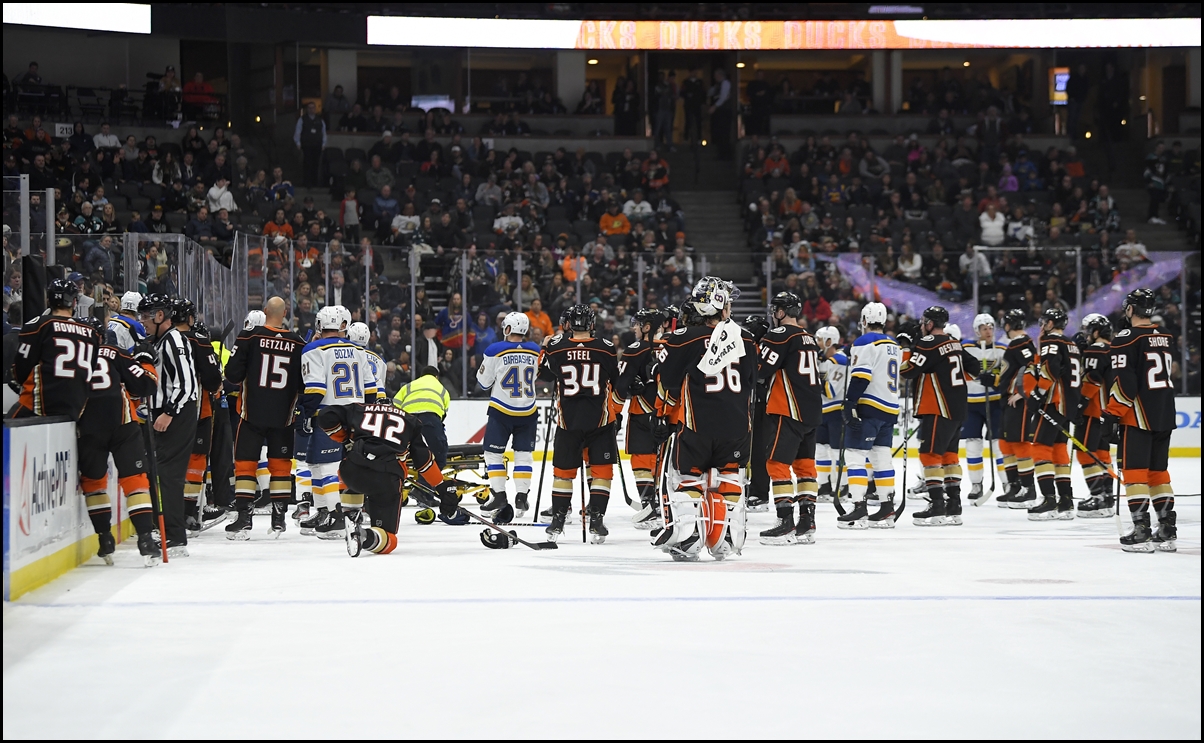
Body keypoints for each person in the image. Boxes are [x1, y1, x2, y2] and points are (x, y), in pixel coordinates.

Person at [652, 278, 755, 560]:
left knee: (687, 478)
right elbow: (751, 380)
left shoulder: (685, 337)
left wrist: (660, 415)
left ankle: (688, 539)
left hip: (698, 424)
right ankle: (726, 538)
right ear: (719, 305)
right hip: (736, 425)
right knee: (730, 477)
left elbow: (668, 382)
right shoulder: (745, 337)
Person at [318, 401, 458, 556]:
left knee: (348, 464)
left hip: (353, 472)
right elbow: (424, 461)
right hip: (386, 479)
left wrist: (344, 438)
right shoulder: (411, 421)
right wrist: (440, 485)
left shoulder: (359, 409)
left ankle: (351, 512)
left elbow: (326, 416)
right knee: (389, 540)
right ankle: (365, 536)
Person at [75, 313, 161, 566]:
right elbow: (147, 386)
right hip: (122, 424)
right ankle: (146, 539)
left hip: (89, 428)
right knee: (135, 481)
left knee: (94, 483)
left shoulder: (71, 356)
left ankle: (104, 538)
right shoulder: (114, 352)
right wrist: (146, 361)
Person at [537, 304, 622, 543]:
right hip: (601, 420)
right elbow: (616, 381)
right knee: (602, 472)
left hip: (568, 421)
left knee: (563, 474)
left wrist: (544, 347)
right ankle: (596, 520)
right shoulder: (605, 348)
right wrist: (617, 410)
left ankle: (558, 520)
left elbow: (542, 374)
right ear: (592, 324)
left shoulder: (556, 347)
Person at [222, 296, 305, 539]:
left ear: (265, 310)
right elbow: (303, 383)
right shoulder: (298, 342)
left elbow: (232, 374)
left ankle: (244, 519)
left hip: (251, 413)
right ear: (285, 312)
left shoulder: (249, 336)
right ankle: (279, 519)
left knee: (246, 464)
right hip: (284, 416)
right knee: (280, 466)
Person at [294, 305, 380, 539]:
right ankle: (324, 511)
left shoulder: (313, 348)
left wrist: (304, 413)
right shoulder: (358, 349)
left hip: (328, 413)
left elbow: (316, 388)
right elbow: (371, 390)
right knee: (315, 462)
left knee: (326, 465)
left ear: (320, 325)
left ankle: (336, 515)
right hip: (356, 414)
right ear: (345, 325)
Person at [1106, 289, 1178, 552]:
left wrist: (1112, 413)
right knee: (1158, 472)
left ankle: (1141, 531)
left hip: (1138, 415)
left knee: (1135, 472)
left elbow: (1126, 384)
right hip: (1164, 412)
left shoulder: (1126, 338)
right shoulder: (1166, 336)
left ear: (1130, 309)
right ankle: (1167, 529)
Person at [756, 291, 824, 545]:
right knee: (805, 467)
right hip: (811, 410)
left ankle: (785, 521)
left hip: (788, 408)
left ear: (782, 312)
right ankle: (807, 522)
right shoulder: (809, 336)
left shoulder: (779, 335)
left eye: (776, 309)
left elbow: (762, 369)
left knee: (776, 464)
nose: (774, 314)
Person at [899, 306, 973, 526]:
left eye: (923, 322)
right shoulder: (954, 342)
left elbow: (907, 371)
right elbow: (974, 367)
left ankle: (937, 506)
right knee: (949, 456)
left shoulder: (928, 343)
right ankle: (954, 505)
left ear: (930, 324)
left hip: (937, 407)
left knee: (930, 455)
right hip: (958, 407)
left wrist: (907, 348)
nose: (921, 326)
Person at [835, 304, 904, 529]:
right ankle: (886, 508)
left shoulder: (865, 341)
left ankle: (858, 507)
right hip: (890, 407)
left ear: (864, 320)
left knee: (855, 456)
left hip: (870, 406)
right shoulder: (894, 344)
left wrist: (849, 402)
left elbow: (861, 377)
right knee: (882, 457)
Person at [140, 294, 199, 556]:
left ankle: (175, 536)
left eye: (146, 315)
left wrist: (168, 412)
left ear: (160, 316)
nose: (143, 321)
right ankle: (167, 530)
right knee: (160, 473)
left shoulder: (174, 339)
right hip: (169, 413)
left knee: (168, 475)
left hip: (178, 414)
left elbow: (186, 384)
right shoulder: (162, 340)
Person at [475, 312, 542, 522]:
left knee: (493, 454)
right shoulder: (536, 350)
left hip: (501, 411)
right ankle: (521, 496)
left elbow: (483, 383)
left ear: (507, 329)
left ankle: (499, 495)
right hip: (528, 411)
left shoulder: (494, 350)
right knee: (523, 454)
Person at [1018, 308, 1080, 521]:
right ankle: (1065, 501)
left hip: (1054, 402)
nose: (1042, 326)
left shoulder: (1051, 341)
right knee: (1059, 449)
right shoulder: (1071, 343)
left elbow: (1050, 370)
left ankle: (1048, 500)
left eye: (1045, 322)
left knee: (1041, 448)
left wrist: (1037, 394)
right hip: (1069, 404)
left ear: (1053, 323)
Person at [10, 279, 99, 421]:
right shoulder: (91, 332)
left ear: (48, 300)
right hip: (74, 408)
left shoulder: (39, 325)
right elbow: (91, 369)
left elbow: (20, 369)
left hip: (40, 405)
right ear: (74, 302)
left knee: (7, 429)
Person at [614, 308, 669, 529]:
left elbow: (620, 386)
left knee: (641, 461)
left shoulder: (635, 350)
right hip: (669, 414)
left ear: (647, 327)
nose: (633, 328)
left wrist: (614, 413)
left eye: (637, 324)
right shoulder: (673, 346)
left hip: (642, 413)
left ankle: (649, 506)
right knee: (662, 461)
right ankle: (661, 505)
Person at [178, 308, 225, 532]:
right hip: (198, 411)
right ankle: (188, 512)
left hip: (164, 413)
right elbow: (213, 379)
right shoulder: (200, 341)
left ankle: (165, 511)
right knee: (196, 462)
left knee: (168, 461)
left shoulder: (159, 340)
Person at [990, 309, 1039, 509]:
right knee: (1005, 443)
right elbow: (1008, 371)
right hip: (1007, 401)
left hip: (1018, 402)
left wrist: (1024, 391)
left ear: (1008, 325)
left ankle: (1028, 489)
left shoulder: (1021, 343)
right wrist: (992, 378)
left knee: (1019, 444)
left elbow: (1034, 366)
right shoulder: (1016, 344)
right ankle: (1014, 486)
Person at [959, 314, 1006, 505]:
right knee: (972, 446)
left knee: (998, 445)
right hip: (970, 404)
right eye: (984, 328)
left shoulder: (1002, 349)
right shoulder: (965, 348)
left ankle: (1007, 484)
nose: (988, 331)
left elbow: (1008, 375)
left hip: (994, 402)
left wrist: (996, 382)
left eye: (990, 328)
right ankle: (976, 484)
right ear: (977, 330)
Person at [1074, 314, 1117, 517]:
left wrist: (1079, 406)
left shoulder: (1095, 350)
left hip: (1092, 410)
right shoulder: (1113, 349)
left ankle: (1097, 496)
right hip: (1108, 411)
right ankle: (1108, 496)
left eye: (1088, 331)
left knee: (1085, 452)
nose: (1086, 335)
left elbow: (1092, 378)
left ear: (1097, 332)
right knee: (1102, 453)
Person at [813, 325, 849, 503]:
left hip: (836, 412)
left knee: (836, 452)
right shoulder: (825, 360)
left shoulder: (839, 361)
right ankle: (824, 485)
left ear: (829, 341)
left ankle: (842, 485)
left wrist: (818, 371)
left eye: (820, 339)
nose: (817, 343)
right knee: (820, 451)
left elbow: (830, 392)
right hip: (822, 412)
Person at [392, 366, 452, 470]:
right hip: (430, 419)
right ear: (436, 377)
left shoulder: (408, 386)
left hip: (407, 420)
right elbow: (444, 411)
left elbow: (395, 405)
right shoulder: (442, 389)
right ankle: (427, 482)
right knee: (437, 452)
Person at [294, 102, 327, 188]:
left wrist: (324, 143)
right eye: (309, 108)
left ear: (315, 109)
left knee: (316, 164)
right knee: (307, 164)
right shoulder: (302, 119)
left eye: (313, 108)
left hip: (317, 145)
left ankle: (314, 182)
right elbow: (298, 132)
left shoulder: (320, 120)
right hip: (306, 145)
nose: (311, 109)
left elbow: (323, 133)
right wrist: (298, 142)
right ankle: (307, 182)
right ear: (307, 109)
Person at [708, 69, 733, 160]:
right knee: (719, 133)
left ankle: (725, 154)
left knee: (724, 133)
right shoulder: (717, 85)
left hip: (724, 111)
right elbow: (710, 93)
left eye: (716, 75)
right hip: (720, 111)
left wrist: (714, 106)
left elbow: (723, 97)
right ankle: (721, 153)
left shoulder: (725, 83)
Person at [680, 69, 707, 147]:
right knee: (688, 121)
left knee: (698, 121)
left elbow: (704, 93)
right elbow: (682, 92)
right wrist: (687, 95)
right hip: (688, 105)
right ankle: (686, 138)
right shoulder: (685, 82)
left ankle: (699, 138)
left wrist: (703, 103)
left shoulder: (700, 82)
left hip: (697, 105)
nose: (693, 73)